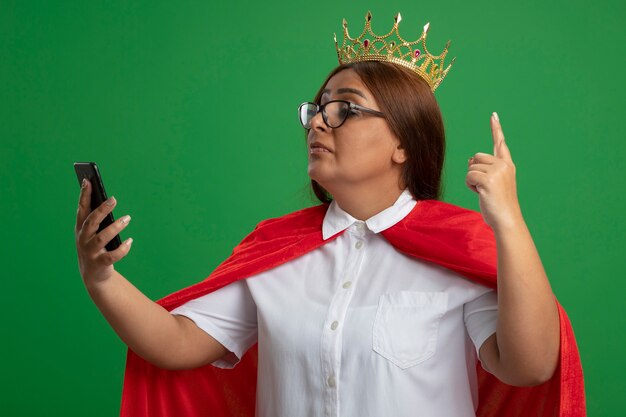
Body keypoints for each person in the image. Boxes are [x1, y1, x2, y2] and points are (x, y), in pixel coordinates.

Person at [75, 12, 584, 417]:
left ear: (403, 143)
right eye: (316, 108)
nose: (318, 120)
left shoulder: (461, 248)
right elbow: (175, 343)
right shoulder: (274, 251)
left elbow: (530, 367)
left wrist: (509, 223)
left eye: (344, 108)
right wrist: (100, 277)